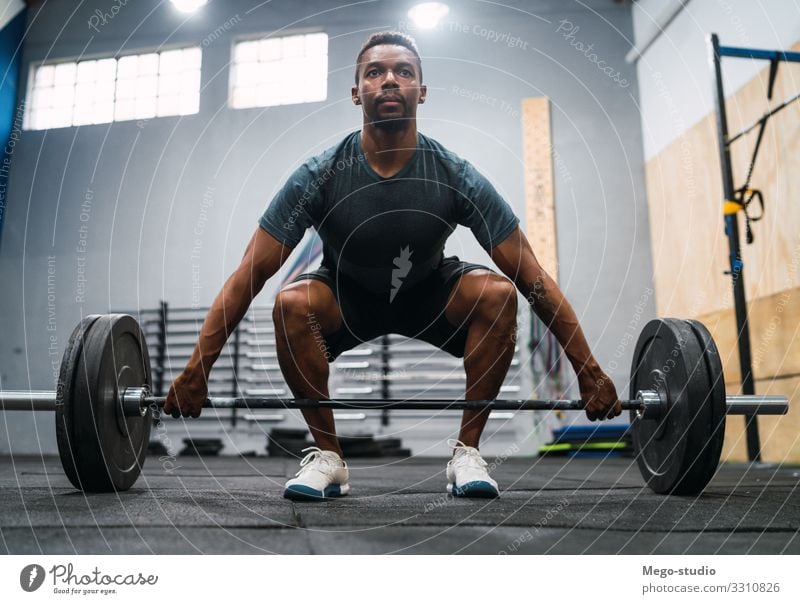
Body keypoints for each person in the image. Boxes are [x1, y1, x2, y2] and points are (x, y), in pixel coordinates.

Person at [164, 31, 620, 501]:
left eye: (403, 72)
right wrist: (198, 369)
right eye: (374, 72)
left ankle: (467, 453)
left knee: (499, 294)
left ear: (421, 91)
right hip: (346, 302)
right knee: (290, 302)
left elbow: (532, 278)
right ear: (356, 91)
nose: (389, 81)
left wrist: (587, 368)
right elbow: (248, 275)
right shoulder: (318, 176)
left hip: (428, 299)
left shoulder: (454, 175)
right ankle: (328, 458)